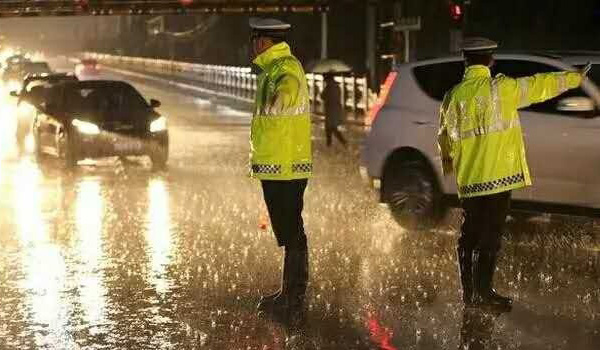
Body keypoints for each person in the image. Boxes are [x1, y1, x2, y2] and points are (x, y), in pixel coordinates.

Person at [438, 37, 589, 312]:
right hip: (497, 180)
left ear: (466, 61)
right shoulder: (501, 90)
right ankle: (484, 293)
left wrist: (452, 168)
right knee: (490, 237)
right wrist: (574, 78)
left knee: (469, 236)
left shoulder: (452, 96)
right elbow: (539, 85)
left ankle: (470, 293)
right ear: (490, 61)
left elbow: (444, 139)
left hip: (470, 182)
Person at [248, 18, 312, 324]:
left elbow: (285, 97)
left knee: (292, 232)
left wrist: (277, 100)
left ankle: (294, 297)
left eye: (255, 40)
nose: (252, 46)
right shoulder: (273, 70)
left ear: (264, 42)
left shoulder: (285, 69)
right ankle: (289, 292)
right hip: (278, 166)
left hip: (286, 167)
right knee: (288, 232)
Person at [321, 73, 347, 147]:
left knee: (330, 127)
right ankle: (332, 143)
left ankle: (334, 143)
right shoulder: (337, 86)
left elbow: (323, 96)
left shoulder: (329, 87)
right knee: (331, 127)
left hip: (330, 109)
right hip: (336, 109)